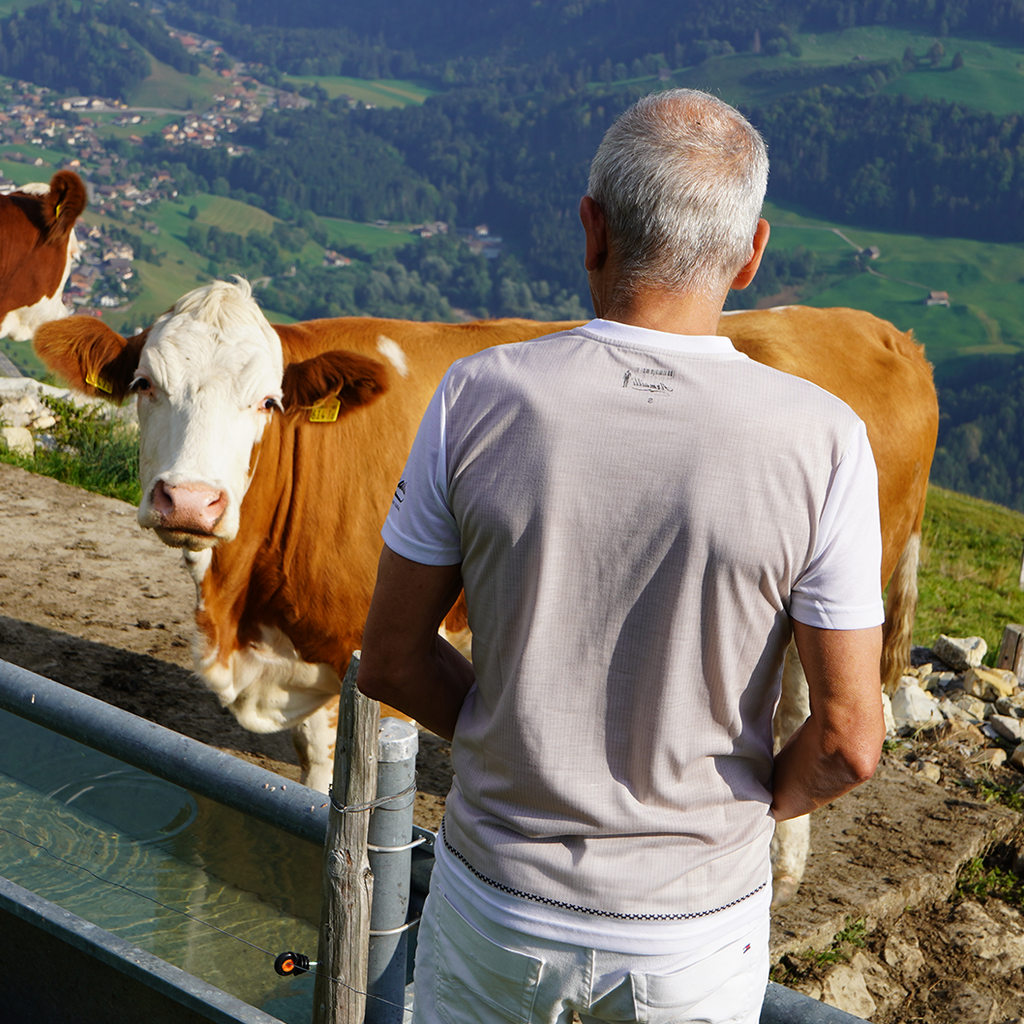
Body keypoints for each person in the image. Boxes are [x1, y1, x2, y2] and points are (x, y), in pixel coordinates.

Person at [357, 88, 887, 1024]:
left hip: (496, 901)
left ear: (591, 230)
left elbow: (392, 658)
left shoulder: (476, 397)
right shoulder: (826, 441)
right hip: (692, 932)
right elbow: (849, 740)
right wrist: (747, 810)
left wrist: (506, 741)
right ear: (752, 253)